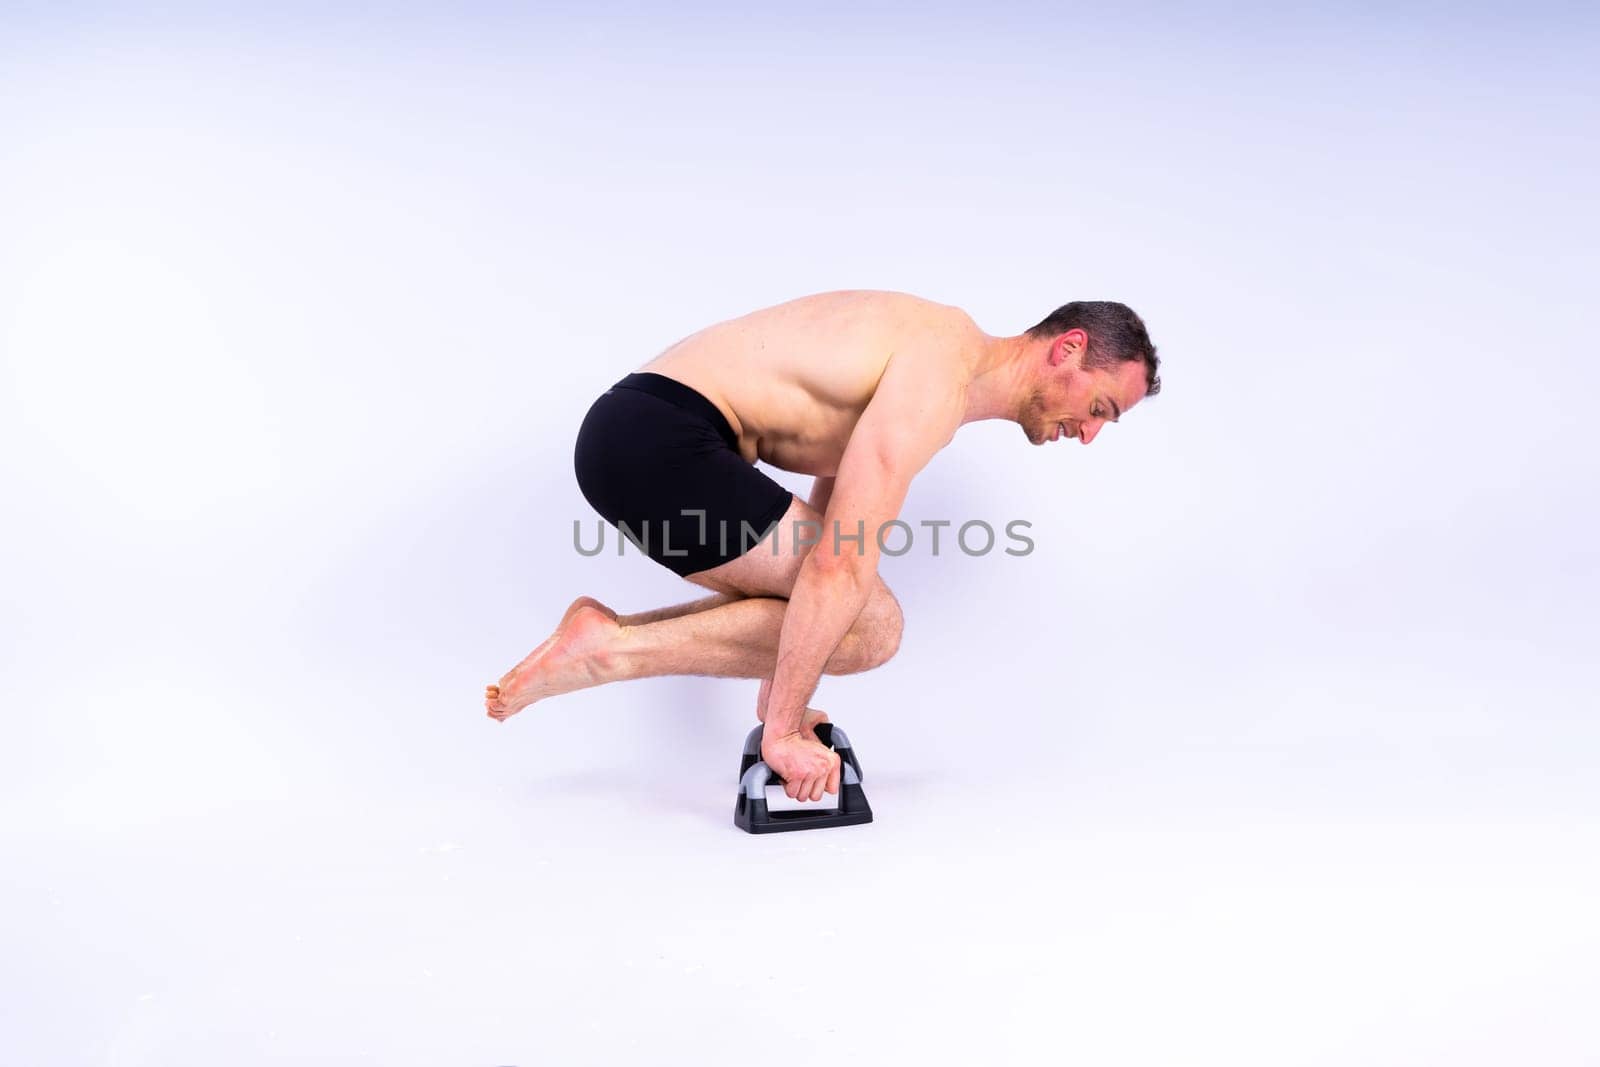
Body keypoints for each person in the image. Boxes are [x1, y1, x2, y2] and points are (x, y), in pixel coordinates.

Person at [484, 289, 1160, 802]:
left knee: (834, 603)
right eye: (1101, 408)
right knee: (871, 625)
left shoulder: (938, 352)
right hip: (655, 440)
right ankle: (609, 647)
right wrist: (780, 733)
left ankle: (604, 638)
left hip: (636, 433)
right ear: (1068, 347)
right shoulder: (938, 375)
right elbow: (840, 561)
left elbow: (824, 509)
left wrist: (784, 684)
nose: (1091, 433)